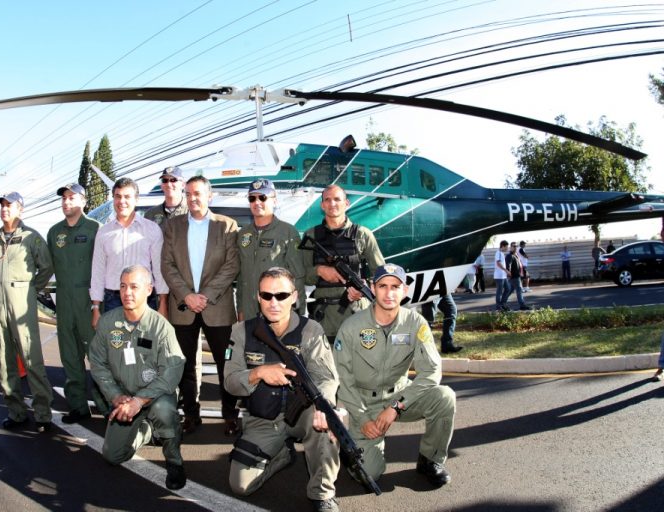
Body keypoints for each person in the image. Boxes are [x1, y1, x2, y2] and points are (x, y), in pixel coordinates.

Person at [225, 267, 340, 511]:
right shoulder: (241, 331)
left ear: (295, 297)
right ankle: (282, 455)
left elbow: (327, 378)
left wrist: (324, 406)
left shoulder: (311, 330)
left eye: (282, 296)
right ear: (258, 297)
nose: (273, 302)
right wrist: (258, 373)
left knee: (327, 422)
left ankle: (321, 492)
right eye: (266, 295)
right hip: (264, 418)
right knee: (240, 486)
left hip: (303, 413)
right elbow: (230, 382)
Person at [334, 264, 456, 487]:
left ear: (404, 291)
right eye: (382, 286)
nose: (389, 293)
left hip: (399, 397)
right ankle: (351, 447)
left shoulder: (415, 323)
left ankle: (430, 460)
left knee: (444, 397)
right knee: (369, 474)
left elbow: (431, 371)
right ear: (373, 288)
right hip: (364, 403)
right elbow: (343, 379)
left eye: (395, 287)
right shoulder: (351, 327)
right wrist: (362, 419)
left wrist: (396, 407)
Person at [89, 265, 187, 490]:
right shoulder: (107, 322)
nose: (127, 292)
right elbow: (97, 363)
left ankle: (174, 460)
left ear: (149, 290)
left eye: (134, 286)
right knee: (113, 456)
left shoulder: (161, 327)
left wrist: (139, 401)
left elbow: (171, 372)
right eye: (123, 286)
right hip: (124, 395)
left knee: (164, 411)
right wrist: (115, 396)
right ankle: (146, 430)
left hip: (155, 394)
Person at [162, 176, 241, 436]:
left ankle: (230, 415)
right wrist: (187, 296)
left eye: (197, 193)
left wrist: (205, 295)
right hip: (183, 308)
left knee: (226, 364)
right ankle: (191, 415)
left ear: (209, 195)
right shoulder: (172, 226)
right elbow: (167, 265)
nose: (192, 198)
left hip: (217, 308)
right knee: (185, 365)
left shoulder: (227, 225)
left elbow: (232, 265)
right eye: (188, 194)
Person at [0, 192, 54, 432]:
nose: (4, 209)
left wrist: (30, 289)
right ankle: (16, 412)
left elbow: (46, 267)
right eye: (2, 205)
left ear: (20, 209)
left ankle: (43, 414)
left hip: (22, 301)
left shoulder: (31, 237)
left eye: (9, 205)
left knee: (31, 357)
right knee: (4, 359)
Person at [47, 183, 109, 423]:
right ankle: (78, 407)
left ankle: (107, 408)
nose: (66, 202)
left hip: (88, 300)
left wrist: (97, 305)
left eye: (72, 198)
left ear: (84, 201)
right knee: (70, 356)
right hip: (64, 301)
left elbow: (104, 267)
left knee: (97, 357)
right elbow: (48, 267)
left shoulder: (95, 229)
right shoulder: (54, 232)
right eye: (64, 198)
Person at [303, 185, 385, 344]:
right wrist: (319, 270)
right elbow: (302, 276)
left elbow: (382, 275)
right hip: (324, 316)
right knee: (326, 358)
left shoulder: (362, 235)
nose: (332, 203)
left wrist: (363, 287)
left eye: (337, 199)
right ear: (322, 205)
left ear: (346, 203)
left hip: (357, 312)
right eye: (327, 200)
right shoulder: (311, 235)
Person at [90, 177, 169, 326]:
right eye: (118, 196)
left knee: (144, 340)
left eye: (127, 196)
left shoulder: (152, 230)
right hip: (113, 300)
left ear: (136, 199)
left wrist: (163, 303)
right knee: (115, 340)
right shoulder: (103, 233)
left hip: (145, 300)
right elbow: (98, 272)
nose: (122, 201)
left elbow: (159, 269)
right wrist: (95, 308)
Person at [237, 179, 305, 322]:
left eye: (262, 197)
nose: (257, 202)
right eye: (252, 198)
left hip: (277, 311)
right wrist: (241, 310)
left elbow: (297, 277)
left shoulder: (288, 232)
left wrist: (297, 315)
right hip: (249, 312)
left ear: (274, 200)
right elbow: (242, 277)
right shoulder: (243, 234)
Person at [502, 243, 531, 311]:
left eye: (516, 246)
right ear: (510, 247)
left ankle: (502, 303)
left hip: (517, 275)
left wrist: (522, 273)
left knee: (510, 290)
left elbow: (519, 265)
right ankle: (522, 305)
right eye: (514, 246)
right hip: (514, 276)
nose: (515, 247)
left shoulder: (516, 255)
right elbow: (508, 265)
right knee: (519, 289)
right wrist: (509, 273)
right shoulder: (509, 256)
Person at [493, 240, 511, 311]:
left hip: (503, 276)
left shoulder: (502, 253)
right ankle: (498, 306)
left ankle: (503, 304)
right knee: (499, 291)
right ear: (502, 246)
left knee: (508, 289)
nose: (507, 248)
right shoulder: (498, 253)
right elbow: (498, 263)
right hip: (499, 276)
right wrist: (506, 270)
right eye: (506, 247)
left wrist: (506, 272)